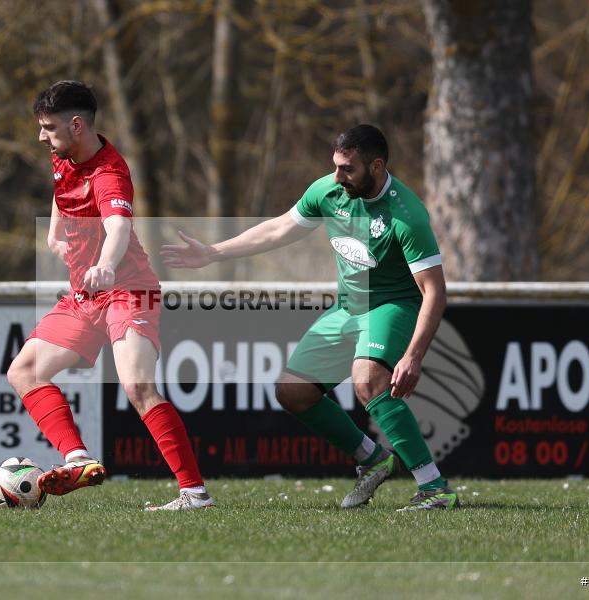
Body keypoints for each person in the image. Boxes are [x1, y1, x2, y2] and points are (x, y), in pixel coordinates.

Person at [161, 124, 457, 510]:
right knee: (293, 390)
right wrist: (214, 253)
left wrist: (413, 356)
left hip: (391, 307)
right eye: (335, 166)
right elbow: (279, 229)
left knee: (367, 381)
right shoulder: (329, 192)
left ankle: (434, 488)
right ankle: (372, 459)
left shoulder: (407, 215)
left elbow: (434, 291)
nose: (338, 176)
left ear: (378, 166)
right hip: (347, 308)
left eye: (348, 168)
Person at [7, 80, 213, 511]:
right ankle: (77, 459)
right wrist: (53, 234)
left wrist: (104, 263)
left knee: (137, 385)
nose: (41, 136)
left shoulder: (110, 173)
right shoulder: (63, 154)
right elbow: (62, 189)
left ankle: (194, 493)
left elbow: (118, 227)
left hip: (127, 289)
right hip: (85, 295)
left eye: (48, 128)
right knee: (24, 371)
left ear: (77, 125)